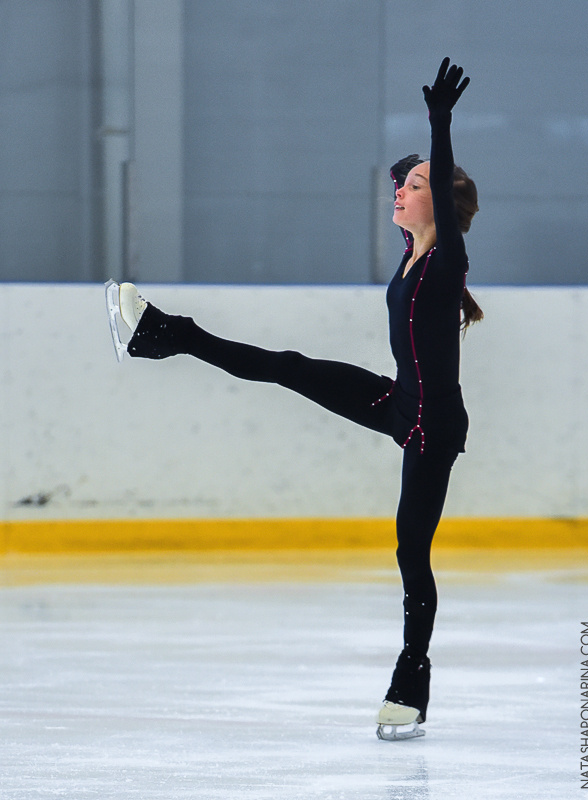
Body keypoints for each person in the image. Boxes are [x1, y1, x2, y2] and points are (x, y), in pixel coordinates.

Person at [106, 57, 482, 741]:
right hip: (401, 401)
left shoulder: (446, 258)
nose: (400, 190)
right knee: (288, 366)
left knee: (410, 553)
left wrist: (440, 125)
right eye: (403, 183)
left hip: (431, 426)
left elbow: (442, 196)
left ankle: (411, 682)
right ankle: (165, 334)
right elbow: (408, 181)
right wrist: (412, 164)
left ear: (442, 205)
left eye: (416, 185)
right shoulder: (410, 245)